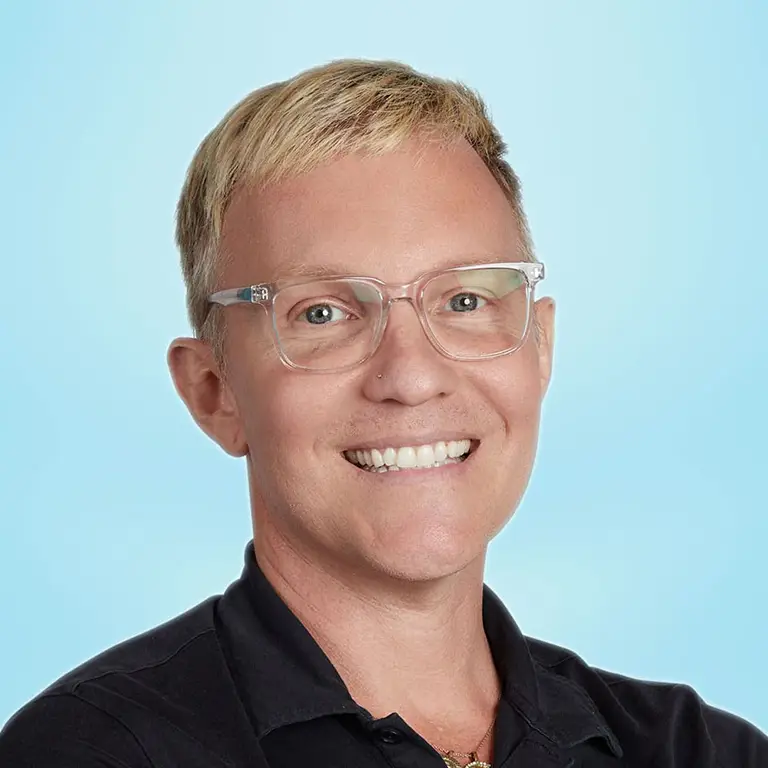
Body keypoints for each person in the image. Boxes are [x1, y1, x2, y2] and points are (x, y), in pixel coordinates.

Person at [0, 59, 765, 768]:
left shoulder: (694, 751)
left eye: (465, 300)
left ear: (540, 349)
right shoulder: (90, 751)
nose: (410, 376)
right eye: (324, 313)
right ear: (213, 391)